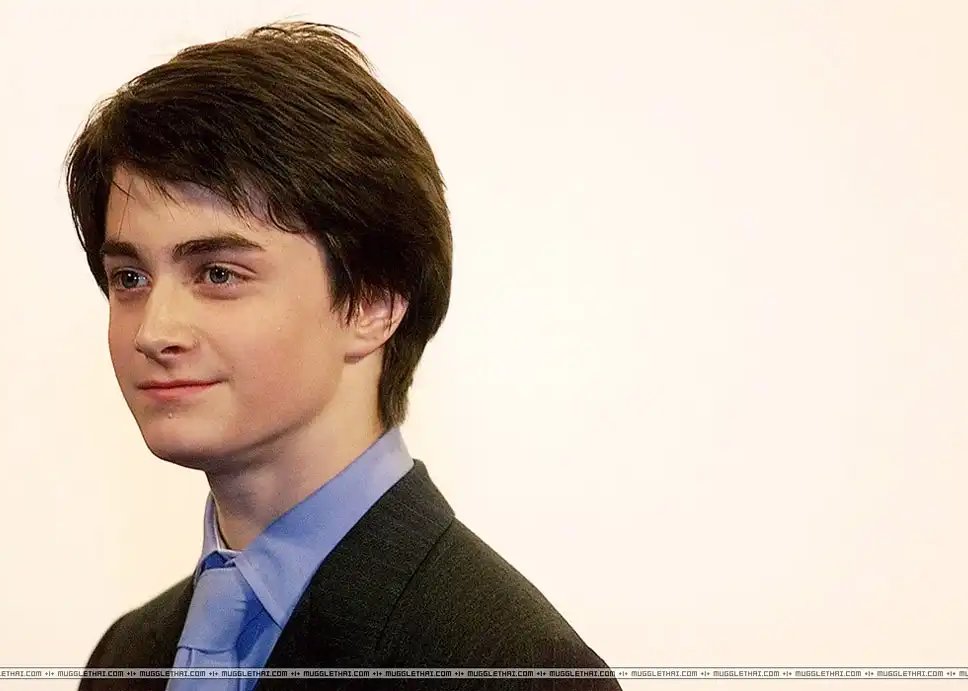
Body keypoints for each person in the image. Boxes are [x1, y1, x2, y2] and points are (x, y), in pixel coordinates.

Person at [65, 21, 618, 691]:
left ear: (373, 302)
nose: (154, 331)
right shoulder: (126, 655)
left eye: (218, 273)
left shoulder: (512, 668)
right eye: (129, 278)